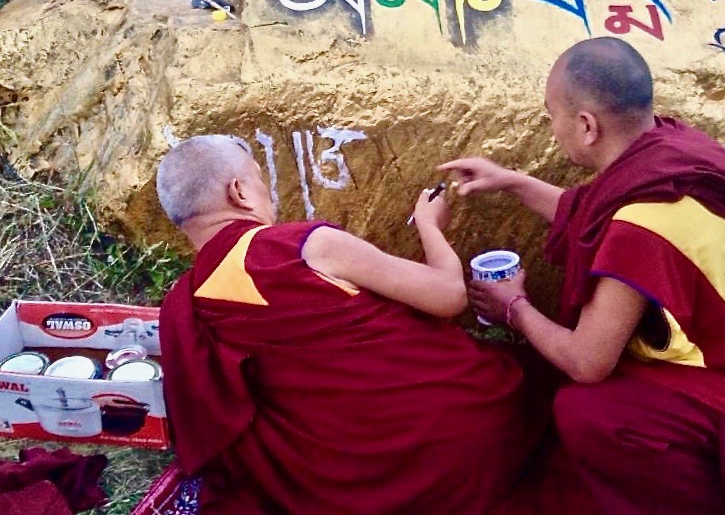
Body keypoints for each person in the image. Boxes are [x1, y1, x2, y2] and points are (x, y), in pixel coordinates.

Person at [441, 37, 725, 514]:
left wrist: (514, 308)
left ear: (587, 126)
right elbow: (588, 215)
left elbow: (588, 362)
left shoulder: (641, 224)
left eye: (552, 116)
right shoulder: (674, 149)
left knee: (585, 413)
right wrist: (512, 182)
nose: (551, 128)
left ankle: (708, 498)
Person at [139, 134, 537, 515]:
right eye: (262, 181)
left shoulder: (184, 303)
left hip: (327, 487)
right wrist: (431, 226)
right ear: (239, 192)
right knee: (523, 378)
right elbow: (449, 296)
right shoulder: (301, 246)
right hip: (452, 443)